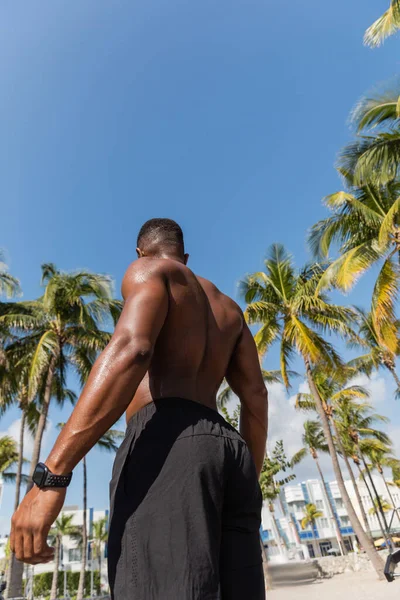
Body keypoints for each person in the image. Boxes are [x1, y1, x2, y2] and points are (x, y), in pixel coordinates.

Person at [10, 218, 268, 600]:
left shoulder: (151, 270)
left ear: (140, 252)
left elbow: (134, 349)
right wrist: (247, 476)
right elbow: (257, 396)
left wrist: (53, 476)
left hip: (168, 441)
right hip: (231, 450)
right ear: (186, 255)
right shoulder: (230, 311)